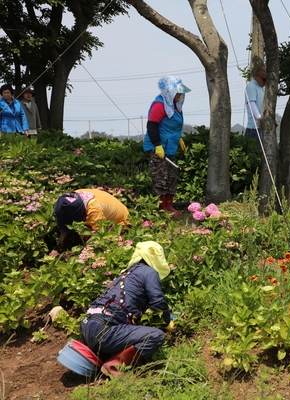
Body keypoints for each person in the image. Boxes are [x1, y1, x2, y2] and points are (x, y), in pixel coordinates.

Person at [80, 241, 175, 377]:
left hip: (87, 327)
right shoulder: (149, 272)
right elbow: (157, 300)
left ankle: (105, 356)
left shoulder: (126, 274)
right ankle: (114, 365)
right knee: (155, 336)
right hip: (105, 331)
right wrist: (166, 322)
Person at [142, 76, 190, 216]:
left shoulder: (175, 106)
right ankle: (161, 209)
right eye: (178, 92)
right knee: (161, 178)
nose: (180, 95)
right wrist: (157, 145)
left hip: (169, 148)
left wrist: (179, 138)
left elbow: (173, 126)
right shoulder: (159, 105)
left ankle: (169, 206)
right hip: (157, 149)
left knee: (172, 176)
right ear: (169, 91)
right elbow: (152, 126)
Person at [54, 189, 130, 248]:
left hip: (120, 221)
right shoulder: (73, 197)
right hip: (102, 210)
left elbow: (99, 235)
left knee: (88, 236)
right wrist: (62, 236)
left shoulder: (94, 211)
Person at [244, 66, 267, 149]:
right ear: (257, 76)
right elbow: (252, 103)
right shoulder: (251, 86)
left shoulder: (263, 88)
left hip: (263, 126)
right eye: (264, 79)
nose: (265, 82)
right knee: (257, 152)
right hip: (254, 127)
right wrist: (259, 117)